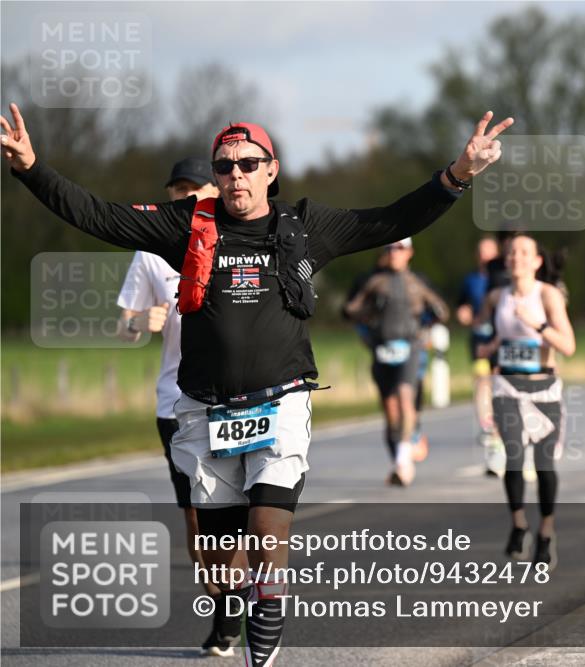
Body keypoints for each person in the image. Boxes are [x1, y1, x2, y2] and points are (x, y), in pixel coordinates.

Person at [2, 102, 511, 667]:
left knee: (269, 535)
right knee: (220, 568)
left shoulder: (305, 225)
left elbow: (391, 220)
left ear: (272, 169)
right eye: (224, 166)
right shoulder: (187, 225)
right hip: (203, 409)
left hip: (281, 401)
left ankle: (263, 642)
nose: (235, 175)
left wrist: (457, 174)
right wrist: (31, 168)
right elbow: (98, 215)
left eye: (248, 164)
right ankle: (243, 601)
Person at [116, 158, 232, 656]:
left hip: (236, 399)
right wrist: (144, 319)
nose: (185, 197)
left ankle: (240, 605)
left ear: (212, 191)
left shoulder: (236, 236)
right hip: (177, 404)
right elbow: (122, 326)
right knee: (196, 519)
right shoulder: (151, 252)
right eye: (177, 190)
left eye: (194, 189)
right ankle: (223, 611)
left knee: (239, 512)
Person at [475, 234, 576, 569]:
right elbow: (482, 336)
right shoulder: (495, 297)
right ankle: (519, 525)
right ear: (506, 261)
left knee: (545, 464)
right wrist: (488, 346)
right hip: (508, 387)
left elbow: (568, 345)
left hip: (544, 388)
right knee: (514, 456)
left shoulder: (547, 295)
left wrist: (539, 325)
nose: (516, 257)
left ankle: (546, 532)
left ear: (536, 261)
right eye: (511, 253)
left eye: (524, 252)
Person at [344, 237, 449, 486]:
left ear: (409, 252)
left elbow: (442, 310)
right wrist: (367, 319)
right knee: (391, 412)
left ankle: (404, 460)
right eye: (390, 248)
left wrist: (426, 326)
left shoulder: (417, 282)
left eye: (399, 248)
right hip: (382, 348)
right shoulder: (375, 282)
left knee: (405, 397)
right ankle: (399, 459)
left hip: (411, 346)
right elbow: (351, 310)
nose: (394, 253)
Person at [456, 236, 503, 471]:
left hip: (502, 341)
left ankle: (501, 434)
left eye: (489, 253)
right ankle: (488, 427)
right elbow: (462, 305)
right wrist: (463, 313)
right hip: (479, 340)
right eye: (481, 253)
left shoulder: (504, 279)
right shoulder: (471, 280)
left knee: (500, 385)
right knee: (482, 382)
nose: (485, 258)